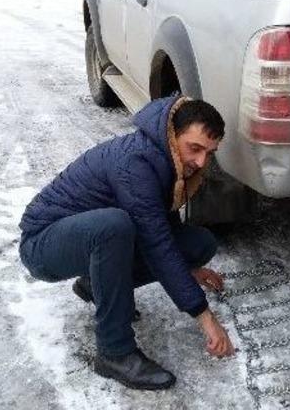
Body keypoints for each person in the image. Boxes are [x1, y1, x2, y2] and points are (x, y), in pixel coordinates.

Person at [18, 96, 235, 391]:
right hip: (43, 244)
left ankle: (95, 286)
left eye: (209, 153)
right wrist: (204, 316)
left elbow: (160, 222)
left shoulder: (164, 158)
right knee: (113, 227)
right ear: (171, 135)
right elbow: (156, 243)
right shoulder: (136, 163)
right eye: (194, 148)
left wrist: (190, 268)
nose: (200, 162)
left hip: (88, 238)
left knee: (198, 245)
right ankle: (114, 352)